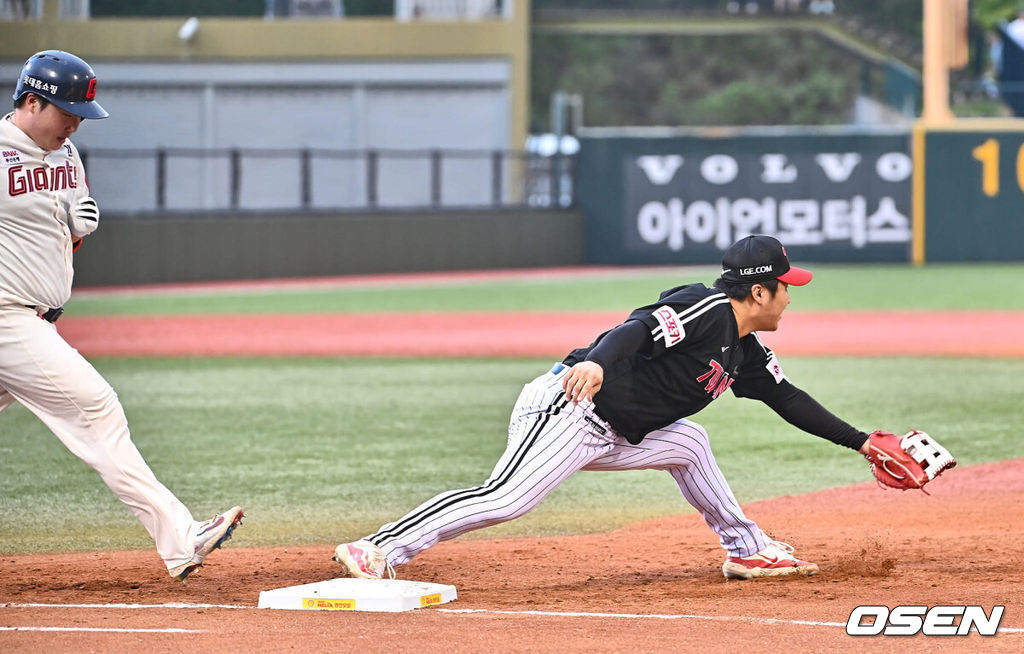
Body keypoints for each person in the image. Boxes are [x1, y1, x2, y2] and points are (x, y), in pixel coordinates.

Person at [334, 234, 879, 581]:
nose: (791, 295)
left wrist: (863, 442)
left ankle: (747, 550)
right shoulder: (707, 308)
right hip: (572, 406)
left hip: (618, 428)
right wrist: (595, 363)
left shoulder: (745, 349)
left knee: (690, 443)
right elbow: (637, 327)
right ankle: (377, 548)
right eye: (785, 285)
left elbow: (787, 398)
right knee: (507, 499)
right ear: (759, 292)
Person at [0, 50, 243, 581]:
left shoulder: (67, 157)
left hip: (37, 316)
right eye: (66, 111)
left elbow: (56, 248)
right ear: (32, 101)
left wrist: (73, 233)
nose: (75, 123)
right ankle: (180, 538)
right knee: (97, 406)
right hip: (6, 318)